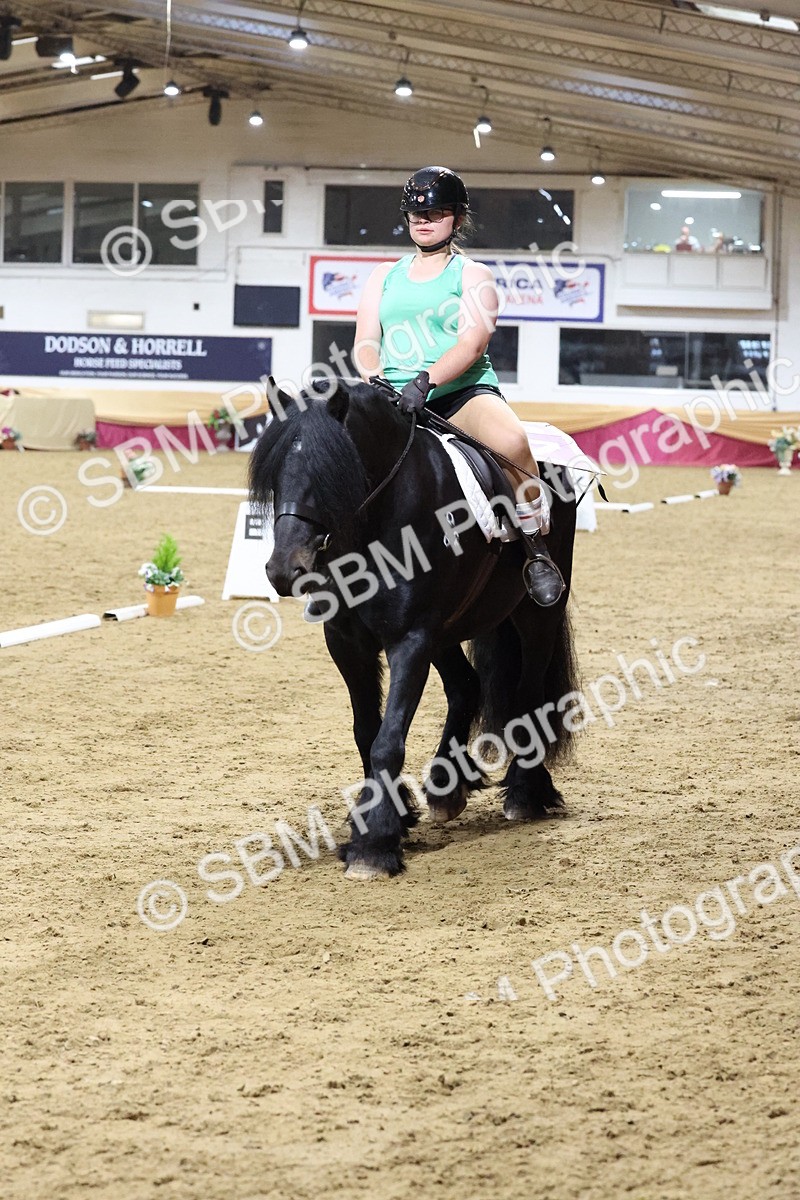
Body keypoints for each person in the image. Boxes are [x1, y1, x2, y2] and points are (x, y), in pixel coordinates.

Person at [353, 165, 564, 607]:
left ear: (458, 219)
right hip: (392, 397)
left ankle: (535, 548)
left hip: (461, 394)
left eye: (436, 213)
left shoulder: (472, 275)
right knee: (329, 456)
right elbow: (366, 341)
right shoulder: (383, 276)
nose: (424, 220)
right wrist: (374, 379)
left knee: (512, 442)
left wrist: (426, 380)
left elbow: (472, 342)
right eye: (416, 214)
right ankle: (329, 562)